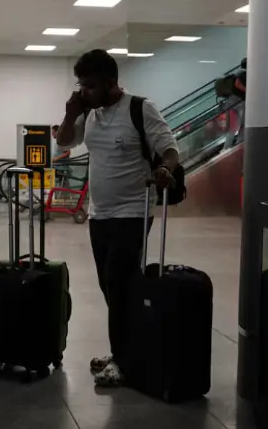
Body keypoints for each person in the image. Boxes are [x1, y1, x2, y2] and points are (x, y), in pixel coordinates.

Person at [56, 49, 179, 387]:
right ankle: (128, 347)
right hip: (100, 214)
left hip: (133, 211)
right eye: (81, 85)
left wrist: (165, 169)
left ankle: (125, 359)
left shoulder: (140, 108)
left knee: (118, 281)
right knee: (110, 286)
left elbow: (169, 148)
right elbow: (65, 141)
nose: (84, 92)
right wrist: (71, 112)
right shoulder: (89, 112)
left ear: (111, 82)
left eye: (90, 86)